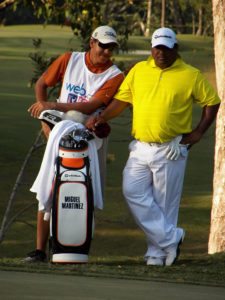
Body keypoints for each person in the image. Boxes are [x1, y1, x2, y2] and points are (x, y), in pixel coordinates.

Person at [85, 27, 220, 266]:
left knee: (164, 204)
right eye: (157, 48)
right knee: (131, 190)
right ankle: (171, 238)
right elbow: (122, 101)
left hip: (170, 148)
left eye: (167, 48)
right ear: (152, 48)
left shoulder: (191, 74)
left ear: (175, 49)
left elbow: (212, 102)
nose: (161, 53)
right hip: (140, 148)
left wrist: (198, 132)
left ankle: (156, 255)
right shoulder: (138, 70)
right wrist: (104, 117)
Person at [25, 25, 124, 262]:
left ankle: (75, 247)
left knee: (84, 190)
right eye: (103, 46)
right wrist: (43, 117)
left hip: (91, 138)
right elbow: (42, 84)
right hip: (58, 131)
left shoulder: (115, 75)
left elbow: (91, 107)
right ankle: (40, 250)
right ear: (92, 42)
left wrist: (53, 106)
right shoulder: (70, 59)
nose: (107, 52)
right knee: (48, 185)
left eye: (111, 48)